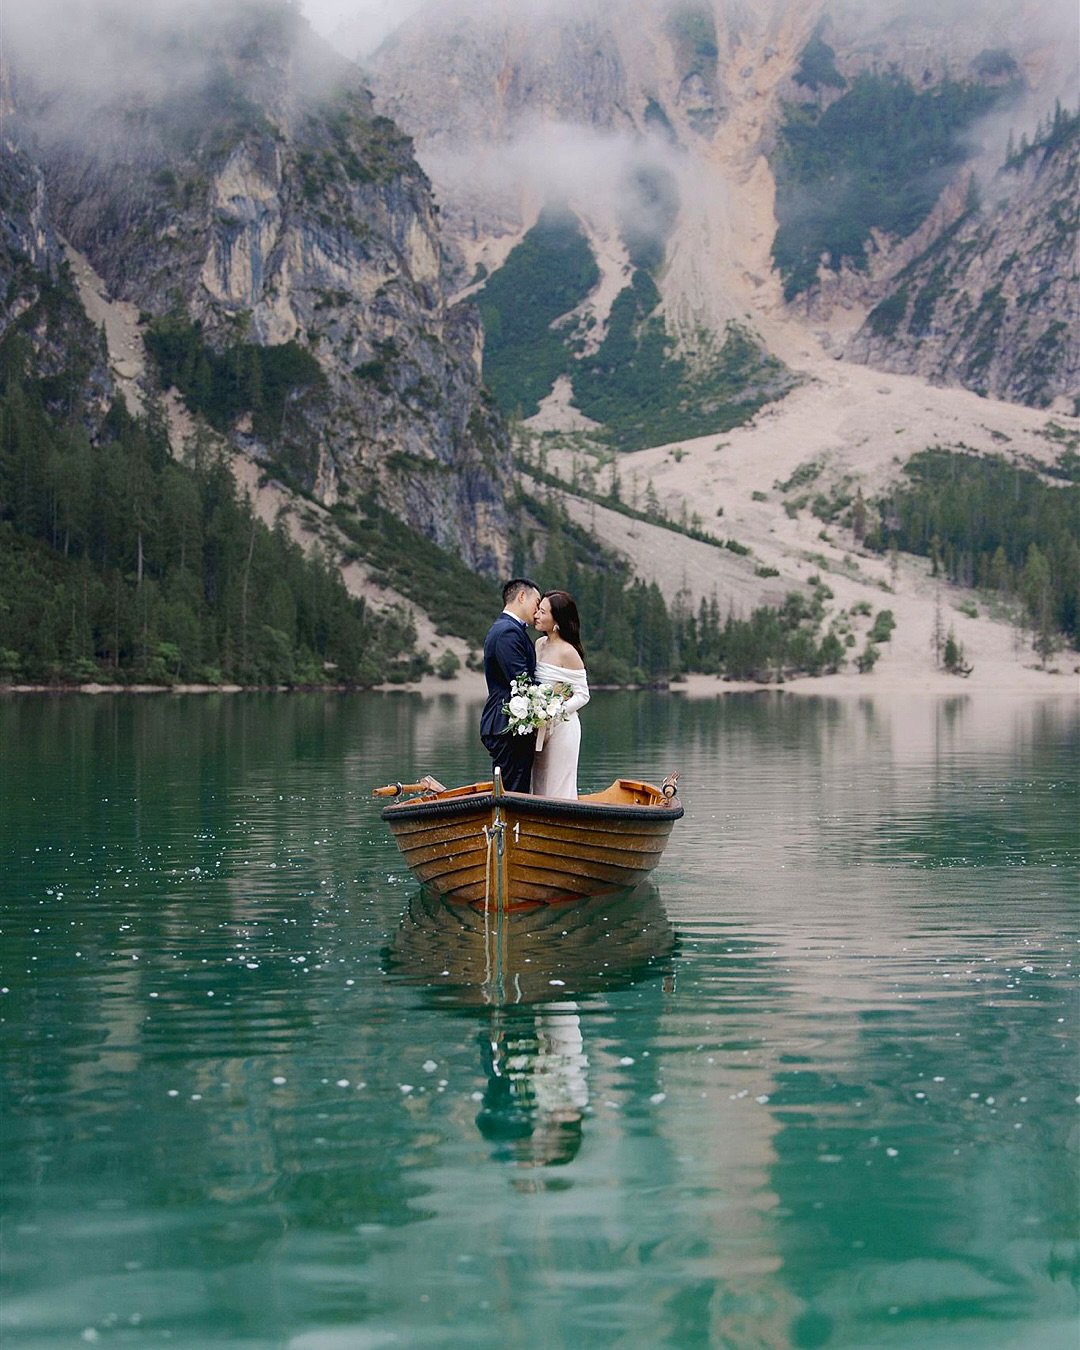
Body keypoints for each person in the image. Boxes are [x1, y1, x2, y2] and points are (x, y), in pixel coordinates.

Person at [480, 577, 541, 792]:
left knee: (514, 786)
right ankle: (506, 825)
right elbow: (520, 680)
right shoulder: (507, 631)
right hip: (506, 724)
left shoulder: (509, 629)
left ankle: (509, 824)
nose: (538, 610)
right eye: (537, 602)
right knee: (513, 790)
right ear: (522, 596)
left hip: (508, 725)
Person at [531, 590, 589, 799]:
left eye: (542, 611)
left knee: (558, 783)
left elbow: (583, 695)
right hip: (540, 727)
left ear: (556, 619)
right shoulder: (539, 644)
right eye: (537, 610)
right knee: (539, 780)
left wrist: (555, 713)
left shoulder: (568, 652)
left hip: (563, 727)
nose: (536, 615)